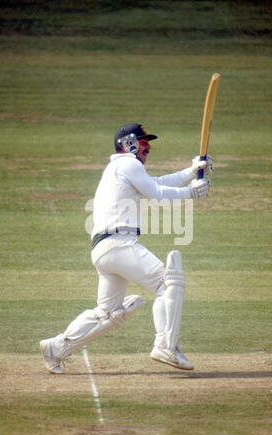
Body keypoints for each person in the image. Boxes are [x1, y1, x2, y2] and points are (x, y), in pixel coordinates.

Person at [40, 123, 212, 374]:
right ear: (128, 143)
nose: (148, 146)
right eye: (143, 141)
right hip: (119, 243)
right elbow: (156, 192)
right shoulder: (127, 163)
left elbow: (157, 181)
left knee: (107, 313)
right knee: (167, 283)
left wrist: (191, 171)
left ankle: (56, 347)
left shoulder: (120, 168)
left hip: (104, 249)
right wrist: (190, 193)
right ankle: (165, 345)